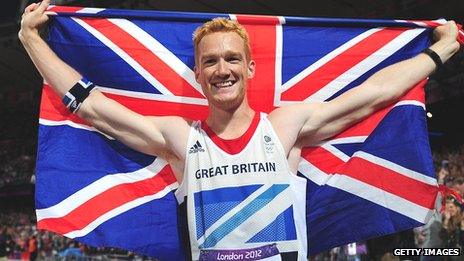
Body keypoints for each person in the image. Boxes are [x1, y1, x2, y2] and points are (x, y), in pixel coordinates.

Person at [19, 0, 461, 260]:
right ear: (198, 75)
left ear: (250, 68)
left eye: (232, 59)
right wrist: (32, 41)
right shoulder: (181, 138)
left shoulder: (285, 125)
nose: (222, 69)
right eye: (210, 61)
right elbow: (94, 107)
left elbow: (373, 94)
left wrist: (442, 50)